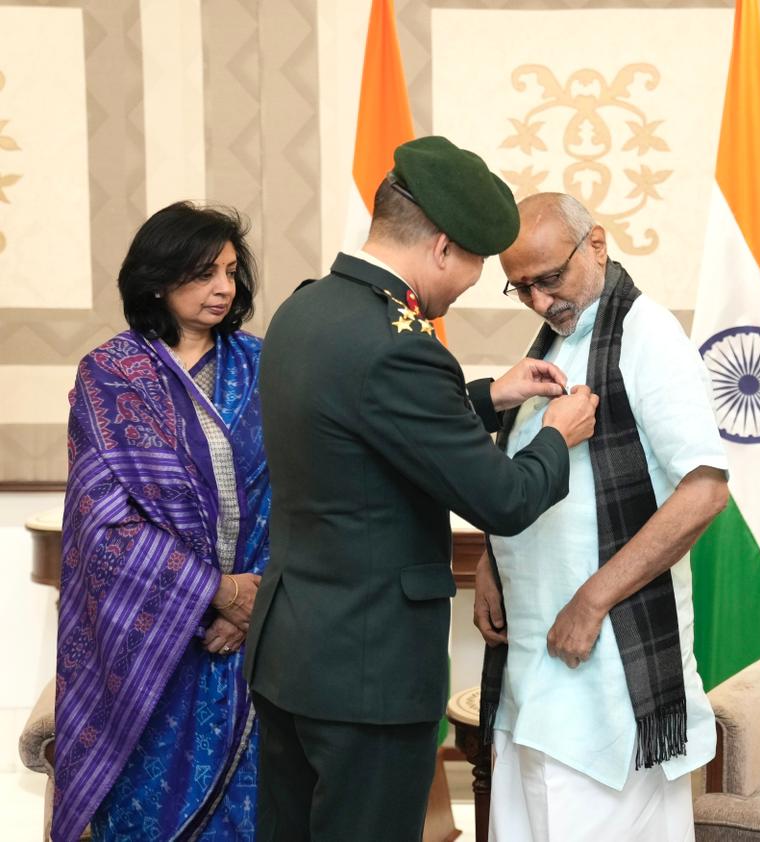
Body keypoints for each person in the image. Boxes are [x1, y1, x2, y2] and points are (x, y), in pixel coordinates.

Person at [243, 137, 597, 841]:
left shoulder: (305, 311)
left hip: (293, 658)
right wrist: (558, 432)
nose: (468, 286)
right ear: (441, 248)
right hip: (368, 678)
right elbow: (503, 499)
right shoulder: (402, 344)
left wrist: (487, 395)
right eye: (473, 268)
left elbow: (361, 431)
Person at [475, 192, 729, 842]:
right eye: (520, 287)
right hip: (533, 678)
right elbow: (534, 481)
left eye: (549, 279)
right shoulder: (556, 343)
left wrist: (591, 601)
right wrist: (492, 562)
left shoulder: (647, 335)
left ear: (596, 244)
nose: (537, 301)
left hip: (604, 680)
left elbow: (703, 492)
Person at [55, 202, 269, 841]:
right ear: (156, 279)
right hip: (154, 646)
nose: (223, 288)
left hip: (260, 632)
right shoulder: (111, 376)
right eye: (203, 274)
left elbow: (303, 489)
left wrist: (257, 592)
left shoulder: (264, 365)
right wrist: (214, 593)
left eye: (231, 271)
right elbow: (103, 525)